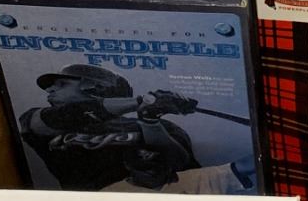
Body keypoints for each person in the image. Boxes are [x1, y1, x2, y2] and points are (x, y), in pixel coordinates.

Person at [20, 65, 199, 192]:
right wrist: (142, 101)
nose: (50, 89)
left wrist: (150, 120)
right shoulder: (38, 117)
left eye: (62, 84)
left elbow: (183, 167)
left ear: (94, 87)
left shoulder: (162, 126)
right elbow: (65, 116)